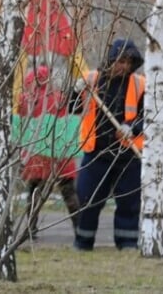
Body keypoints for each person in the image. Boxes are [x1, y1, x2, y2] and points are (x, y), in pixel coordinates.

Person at [70, 39, 145, 251]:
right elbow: (71, 107)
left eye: (128, 62)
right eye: (120, 61)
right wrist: (76, 91)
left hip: (128, 154)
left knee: (129, 202)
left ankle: (128, 244)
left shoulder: (140, 84)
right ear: (111, 59)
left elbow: (149, 115)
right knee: (87, 198)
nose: (124, 66)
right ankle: (83, 243)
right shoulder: (91, 80)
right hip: (96, 152)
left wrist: (132, 127)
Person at [16, 65, 79, 241]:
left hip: (37, 155)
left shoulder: (25, 99)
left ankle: (31, 230)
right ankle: (80, 229)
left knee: (34, 194)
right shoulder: (60, 98)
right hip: (60, 153)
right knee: (69, 193)